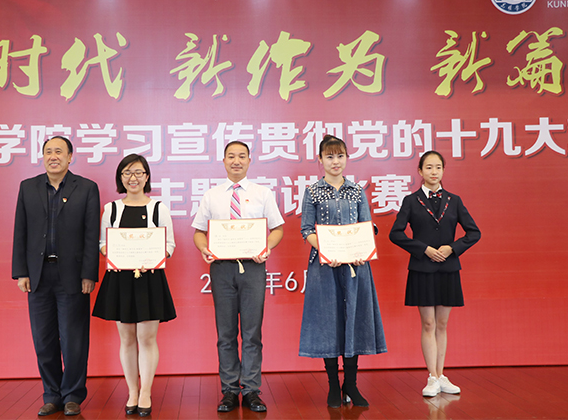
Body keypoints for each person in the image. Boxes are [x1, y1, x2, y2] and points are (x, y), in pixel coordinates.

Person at [192, 141, 284, 413]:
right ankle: (230, 391)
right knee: (226, 333)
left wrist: (267, 247)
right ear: (223, 161)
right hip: (222, 268)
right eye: (231, 156)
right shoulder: (212, 195)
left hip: (253, 267)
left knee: (252, 333)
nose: (236, 161)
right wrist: (204, 248)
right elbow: (199, 232)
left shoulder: (262, 193)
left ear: (249, 160)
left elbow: (278, 228)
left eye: (241, 156)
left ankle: (252, 390)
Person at [12, 136, 100, 416]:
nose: (53, 156)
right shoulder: (28, 187)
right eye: (48, 151)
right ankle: (51, 394)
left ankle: (72, 394)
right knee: (43, 340)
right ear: (43, 157)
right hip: (38, 275)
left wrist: (89, 274)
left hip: (72, 276)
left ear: (70, 157)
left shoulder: (86, 188)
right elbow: (20, 231)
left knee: (74, 339)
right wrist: (21, 272)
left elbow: (91, 234)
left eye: (59, 151)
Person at [299, 135, 387, 408]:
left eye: (340, 156)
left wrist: (363, 248)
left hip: (355, 267)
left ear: (347, 158)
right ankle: (333, 386)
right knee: (329, 322)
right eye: (329, 156)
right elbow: (306, 230)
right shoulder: (313, 191)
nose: (335, 162)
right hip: (324, 267)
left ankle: (351, 383)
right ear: (320, 160)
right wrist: (328, 250)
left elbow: (366, 226)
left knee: (353, 320)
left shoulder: (357, 191)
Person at [389, 150, 480, 397]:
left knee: (442, 323)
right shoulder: (411, 201)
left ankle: (441, 375)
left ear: (443, 170)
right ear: (420, 171)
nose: (433, 172)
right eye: (428, 167)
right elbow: (395, 233)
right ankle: (432, 377)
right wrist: (424, 249)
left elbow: (474, 232)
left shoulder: (455, 200)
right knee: (428, 323)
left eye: (438, 167)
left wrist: (452, 248)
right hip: (423, 268)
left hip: (448, 268)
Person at [92, 154, 176, 418]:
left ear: (147, 176)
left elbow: (169, 245)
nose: (133, 178)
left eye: (138, 172)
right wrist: (113, 254)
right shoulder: (111, 209)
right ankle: (132, 391)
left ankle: (146, 391)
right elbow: (102, 243)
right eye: (127, 173)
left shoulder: (158, 208)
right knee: (127, 338)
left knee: (147, 338)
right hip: (121, 279)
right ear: (120, 177)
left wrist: (154, 258)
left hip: (149, 278)